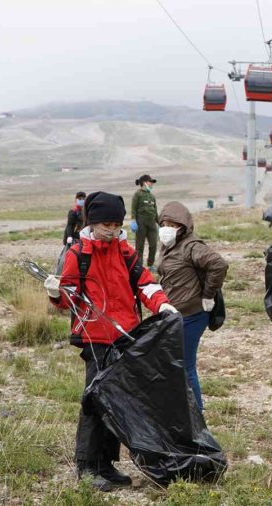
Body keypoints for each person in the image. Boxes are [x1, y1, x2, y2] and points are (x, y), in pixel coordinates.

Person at [43, 191, 177, 491]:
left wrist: (163, 305)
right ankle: (87, 466)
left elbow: (145, 284)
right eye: (107, 225)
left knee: (116, 401)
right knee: (94, 401)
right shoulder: (78, 254)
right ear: (93, 222)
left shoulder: (125, 252)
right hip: (95, 338)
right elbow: (68, 299)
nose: (112, 231)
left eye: (117, 225)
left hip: (125, 337)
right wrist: (55, 293)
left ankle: (106, 464)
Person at [157, 201, 229, 412]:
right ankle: (181, 411)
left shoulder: (192, 246)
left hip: (192, 314)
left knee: (185, 366)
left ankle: (196, 415)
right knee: (174, 364)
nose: (167, 228)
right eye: (164, 224)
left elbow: (219, 264)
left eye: (172, 224)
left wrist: (208, 295)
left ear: (183, 226)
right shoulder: (169, 246)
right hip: (175, 313)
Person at [130, 174, 159, 270]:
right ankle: (139, 266)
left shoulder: (152, 196)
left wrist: (160, 223)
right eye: (150, 182)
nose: (152, 184)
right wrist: (133, 220)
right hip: (141, 223)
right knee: (139, 246)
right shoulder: (137, 194)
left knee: (153, 245)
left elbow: (155, 211)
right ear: (144, 183)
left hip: (152, 224)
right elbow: (133, 208)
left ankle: (150, 265)